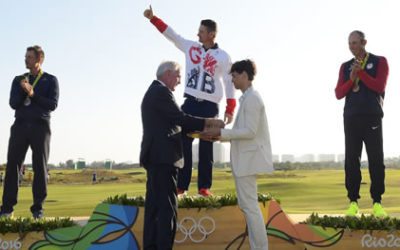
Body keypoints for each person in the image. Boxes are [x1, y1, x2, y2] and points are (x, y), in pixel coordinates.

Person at [144, 6, 236, 197]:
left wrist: (230, 108)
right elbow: (173, 36)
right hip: (190, 102)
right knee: (183, 144)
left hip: (210, 104)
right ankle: (182, 186)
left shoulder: (224, 57)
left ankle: (204, 187)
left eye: (201, 31)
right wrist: (153, 19)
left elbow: (228, 83)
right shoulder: (191, 47)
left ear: (211, 34)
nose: (198, 34)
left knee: (206, 147)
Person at [140, 61, 224, 250]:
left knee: (154, 209)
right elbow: (180, 118)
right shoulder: (161, 92)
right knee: (166, 209)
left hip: (156, 158)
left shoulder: (154, 92)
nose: (180, 81)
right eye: (178, 76)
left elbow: (174, 123)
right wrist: (208, 123)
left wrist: (196, 131)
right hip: (163, 158)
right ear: (168, 74)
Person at [201, 59, 273, 250]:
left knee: (250, 208)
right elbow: (243, 131)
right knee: (249, 207)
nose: (232, 80)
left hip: (247, 162)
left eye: (234, 75)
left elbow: (250, 131)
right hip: (244, 161)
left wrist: (222, 134)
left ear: (244, 75)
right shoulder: (248, 99)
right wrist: (220, 136)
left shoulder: (253, 99)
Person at [0, 45, 59, 219]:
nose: (26, 59)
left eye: (30, 57)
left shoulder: (50, 80)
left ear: (39, 59)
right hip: (20, 125)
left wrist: (33, 94)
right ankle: (7, 209)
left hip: (40, 127)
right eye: (25, 57)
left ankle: (38, 209)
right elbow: (13, 103)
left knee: (40, 167)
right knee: (12, 165)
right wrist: (23, 90)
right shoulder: (18, 79)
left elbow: (52, 105)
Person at [335, 30, 389, 217]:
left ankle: (377, 202)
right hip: (351, 118)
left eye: (355, 43)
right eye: (349, 43)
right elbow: (339, 93)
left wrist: (361, 73)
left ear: (364, 42)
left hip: (372, 117)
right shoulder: (345, 66)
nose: (352, 47)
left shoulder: (380, 61)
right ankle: (352, 202)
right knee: (351, 161)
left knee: (375, 160)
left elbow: (379, 86)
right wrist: (352, 79)